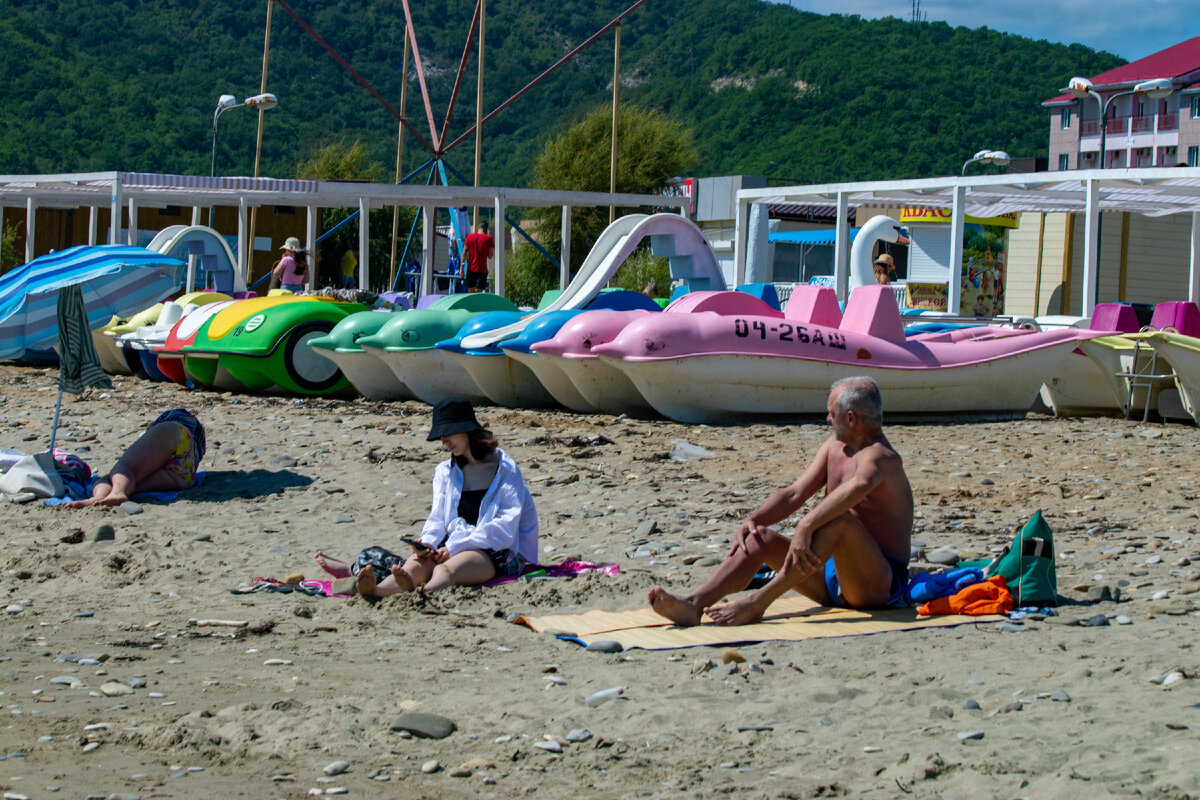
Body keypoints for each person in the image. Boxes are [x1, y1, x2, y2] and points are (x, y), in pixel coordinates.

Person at [648, 377, 913, 626]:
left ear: (851, 419)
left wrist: (806, 525)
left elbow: (862, 483)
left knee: (839, 521)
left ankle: (757, 603)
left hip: (878, 584)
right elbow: (794, 493)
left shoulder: (881, 457)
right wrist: (754, 519)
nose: (828, 418)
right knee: (757, 537)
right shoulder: (834, 447)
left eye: (832, 413)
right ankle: (694, 605)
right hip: (832, 577)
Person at [314, 398, 538, 597]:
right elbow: (437, 518)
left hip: (495, 550)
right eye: (441, 436)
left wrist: (455, 547)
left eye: (448, 433)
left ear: (466, 430)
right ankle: (378, 591)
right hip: (451, 544)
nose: (444, 441)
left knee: (444, 570)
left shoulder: (504, 469)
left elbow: (505, 526)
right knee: (414, 566)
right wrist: (427, 544)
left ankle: (415, 594)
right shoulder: (445, 471)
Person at [66, 409, 206, 508]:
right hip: (185, 475)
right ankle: (103, 498)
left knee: (122, 470)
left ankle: (110, 494)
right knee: (128, 483)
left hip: (177, 430)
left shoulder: (167, 426)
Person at [464, 221, 495, 293]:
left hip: (470, 269)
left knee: (471, 292)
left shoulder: (469, 237)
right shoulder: (489, 238)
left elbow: (464, 253)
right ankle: (476, 304)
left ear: (478, 228)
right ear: (486, 229)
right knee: (478, 292)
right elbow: (490, 256)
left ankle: (471, 304)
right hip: (482, 270)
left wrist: (461, 269)